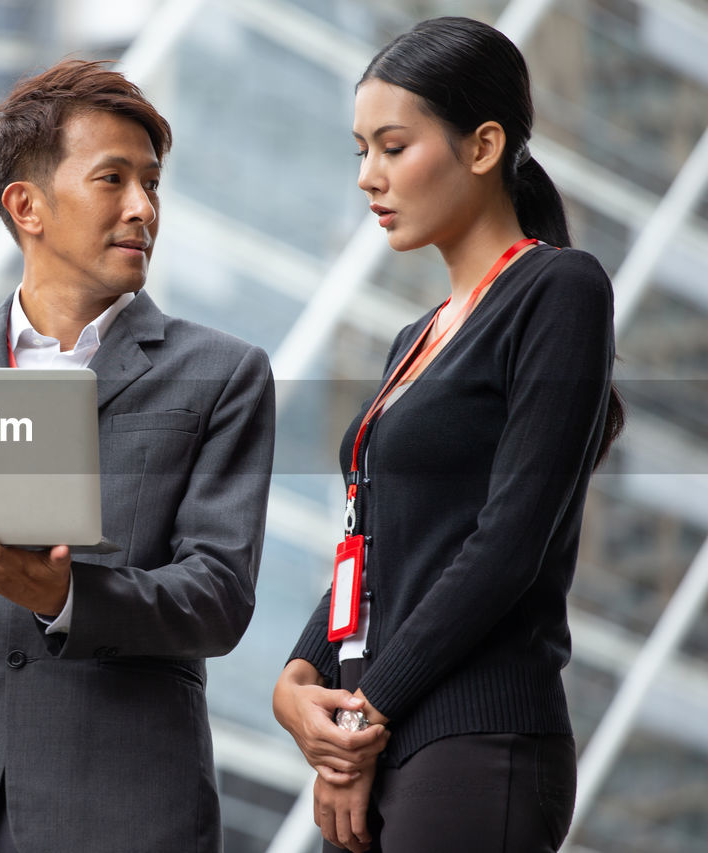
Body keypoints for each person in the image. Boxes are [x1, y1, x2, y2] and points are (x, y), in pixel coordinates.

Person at [0, 59, 276, 852]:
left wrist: (63, 593)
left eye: (151, 183)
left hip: (124, 808)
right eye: (112, 179)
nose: (143, 208)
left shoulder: (221, 373)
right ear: (26, 205)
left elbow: (217, 594)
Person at [271, 16, 624, 853]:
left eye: (393, 147)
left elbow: (507, 542)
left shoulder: (558, 290)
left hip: (472, 741)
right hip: (376, 739)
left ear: (482, 146)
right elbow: (382, 546)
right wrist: (298, 677)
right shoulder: (414, 338)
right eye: (360, 150)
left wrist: (366, 712)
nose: (368, 177)